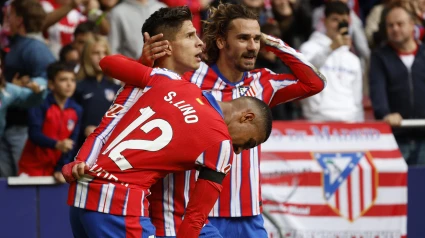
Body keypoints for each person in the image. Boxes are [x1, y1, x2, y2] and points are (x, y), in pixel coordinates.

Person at [61, 6, 273, 238]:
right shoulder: (217, 139)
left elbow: (106, 123)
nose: (240, 151)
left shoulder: (161, 81)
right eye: (190, 35)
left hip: (86, 195)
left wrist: (80, 159)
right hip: (131, 208)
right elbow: (195, 219)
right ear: (246, 117)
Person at [134, 3, 326, 238]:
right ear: (222, 42)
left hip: (249, 215)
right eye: (244, 38)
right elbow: (141, 90)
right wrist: (143, 60)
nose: (253, 47)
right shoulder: (190, 78)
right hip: (202, 213)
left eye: (256, 39)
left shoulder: (262, 83)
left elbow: (314, 83)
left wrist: (272, 42)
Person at [1, 0, 56, 177]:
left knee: (22, 182)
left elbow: (49, 86)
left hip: (24, 129)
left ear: (19, 19)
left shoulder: (35, 49)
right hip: (8, 126)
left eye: (10, 15)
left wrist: (27, 86)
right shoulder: (17, 45)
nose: (5, 19)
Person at [369, 4, 425, 165]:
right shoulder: (380, 56)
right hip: (396, 137)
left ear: (412, 25)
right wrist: (385, 114)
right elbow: (377, 89)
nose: (395, 29)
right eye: (390, 25)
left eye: (400, 24)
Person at [299, 1, 363, 122]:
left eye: (343, 21)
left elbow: (357, 99)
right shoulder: (308, 48)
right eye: (335, 20)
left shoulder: (353, 59)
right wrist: (331, 48)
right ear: (324, 21)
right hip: (317, 120)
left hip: (349, 122)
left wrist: (359, 123)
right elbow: (305, 73)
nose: (339, 25)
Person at [18, 62, 82, 182]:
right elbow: (34, 134)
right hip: (31, 168)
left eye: (72, 80)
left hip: (56, 172)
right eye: (63, 80)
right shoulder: (39, 104)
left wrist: (60, 168)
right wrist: (57, 144)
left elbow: (71, 144)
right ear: (51, 84)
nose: (69, 84)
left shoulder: (77, 109)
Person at [73, 35, 120, 147]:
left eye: (104, 53)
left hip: (108, 148)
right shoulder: (77, 86)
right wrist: (84, 128)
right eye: (95, 53)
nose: (101, 57)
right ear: (87, 56)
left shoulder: (116, 88)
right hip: (81, 146)